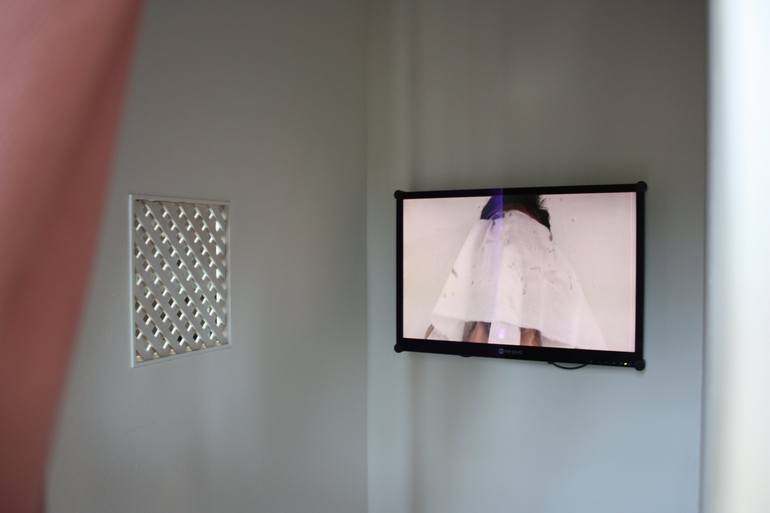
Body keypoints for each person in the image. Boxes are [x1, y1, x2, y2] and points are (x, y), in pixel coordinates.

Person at [424, 193, 606, 350]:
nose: (510, 254)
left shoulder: (569, 332)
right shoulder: (447, 329)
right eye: (497, 238)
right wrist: (482, 324)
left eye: (524, 239)